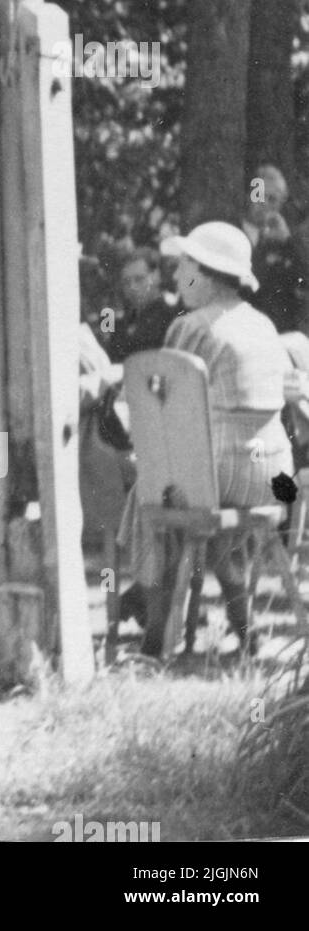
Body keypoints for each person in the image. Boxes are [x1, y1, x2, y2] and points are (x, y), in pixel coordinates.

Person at [118, 222, 294, 656]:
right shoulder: (262, 324)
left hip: (221, 469)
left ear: (209, 274)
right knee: (206, 518)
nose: (176, 277)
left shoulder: (194, 326)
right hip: (272, 472)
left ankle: (155, 636)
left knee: (152, 496)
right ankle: (245, 632)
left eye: (184, 267)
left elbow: (163, 407)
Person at [242, 166, 309, 333]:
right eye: (259, 195)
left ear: (281, 204)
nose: (263, 204)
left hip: (274, 334)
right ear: (249, 195)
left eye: (272, 199)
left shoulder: (287, 242)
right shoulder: (231, 231)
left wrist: (288, 242)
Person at [104, 248, 176, 363]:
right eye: (126, 282)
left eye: (139, 279)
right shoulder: (121, 320)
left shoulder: (171, 316)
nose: (132, 287)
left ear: (156, 277)